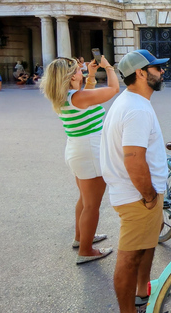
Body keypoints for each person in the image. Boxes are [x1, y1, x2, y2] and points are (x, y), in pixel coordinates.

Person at [100, 49, 169, 313]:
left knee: (145, 245)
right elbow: (133, 159)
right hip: (137, 196)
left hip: (135, 193)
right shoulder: (137, 109)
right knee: (129, 257)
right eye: (156, 68)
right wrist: (150, 195)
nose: (162, 72)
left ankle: (142, 290)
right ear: (140, 73)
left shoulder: (130, 100)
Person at [40, 55, 119, 264]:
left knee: (84, 200)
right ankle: (86, 250)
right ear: (70, 76)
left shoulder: (67, 96)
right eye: (78, 69)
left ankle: (81, 238)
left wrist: (91, 75)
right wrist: (108, 67)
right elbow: (113, 90)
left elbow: (87, 95)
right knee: (92, 204)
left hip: (78, 149)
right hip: (89, 152)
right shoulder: (77, 98)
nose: (81, 70)